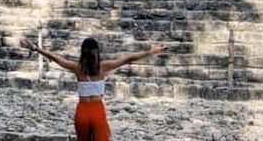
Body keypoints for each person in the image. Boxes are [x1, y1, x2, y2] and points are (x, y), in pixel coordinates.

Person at [20, 36, 167, 141]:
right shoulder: (104, 66)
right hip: (97, 110)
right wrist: (151, 51)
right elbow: (129, 58)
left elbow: (55, 58)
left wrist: (34, 47)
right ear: (97, 52)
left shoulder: (77, 68)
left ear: (82, 52)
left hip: (81, 112)